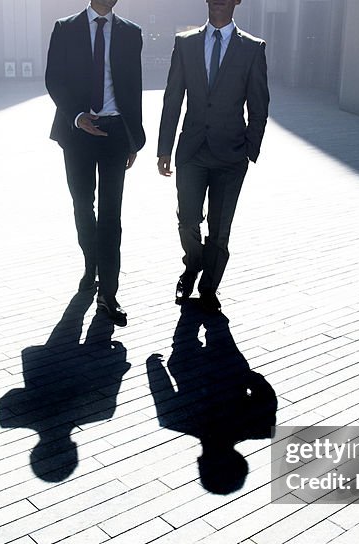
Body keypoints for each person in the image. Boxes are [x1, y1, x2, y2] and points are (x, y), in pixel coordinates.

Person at [157, 0, 269, 313]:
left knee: (220, 230)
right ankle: (192, 265)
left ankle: (209, 287)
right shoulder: (185, 43)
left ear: (237, 1)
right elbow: (172, 99)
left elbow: (259, 105)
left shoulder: (253, 49)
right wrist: (164, 148)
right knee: (187, 221)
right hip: (192, 151)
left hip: (231, 156)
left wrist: (250, 149)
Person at [45, 0, 145, 327]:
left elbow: (133, 89)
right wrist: (76, 116)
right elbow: (54, 79)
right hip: (78, 132)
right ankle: (92, 266)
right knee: (82, 205)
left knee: (111, 213)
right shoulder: (65, 28)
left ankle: (108, 293)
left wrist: (134, 138)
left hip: (116, 131)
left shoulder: (131, 33)